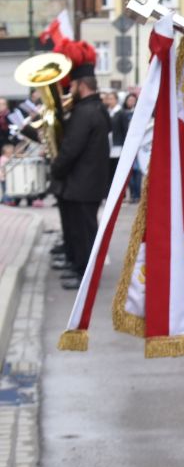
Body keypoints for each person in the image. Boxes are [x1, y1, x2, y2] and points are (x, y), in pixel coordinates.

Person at [51, 54, 110, 291]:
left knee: (85, 233)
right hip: (86, 184)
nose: (70, 90)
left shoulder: (85, 113)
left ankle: (85, 276)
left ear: (82, 85)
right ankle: (79, 268)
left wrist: (55, 168)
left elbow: (70, 150)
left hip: (83, 184)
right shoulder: (94, 108)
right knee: (80, 230)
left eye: (72, 85)